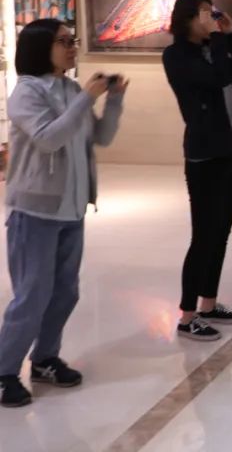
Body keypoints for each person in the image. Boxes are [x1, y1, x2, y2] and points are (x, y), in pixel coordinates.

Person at [0, 21, 126, 408]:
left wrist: (114, 100)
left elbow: (101, 137)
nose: (72, 47)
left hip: (71, 210)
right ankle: (4, 371)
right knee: (32, 295)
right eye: (63, 41)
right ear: (41, 47)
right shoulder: (26, 92)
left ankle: (45, 358)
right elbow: (49, 138)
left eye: (73, 41)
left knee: (65, 291)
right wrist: (86, 98)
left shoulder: (71, 90)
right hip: (34, 211)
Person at [162, 0, 232, 342]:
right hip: (206, 154)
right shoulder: (176, 55)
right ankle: (187, 316)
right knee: (203, 235)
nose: (212, 16)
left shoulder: (216, 47)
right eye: (204, 11)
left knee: (221, 232)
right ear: (187, 17)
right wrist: (218, 39)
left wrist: (231, 38)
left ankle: (209, 304)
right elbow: (216, 80)